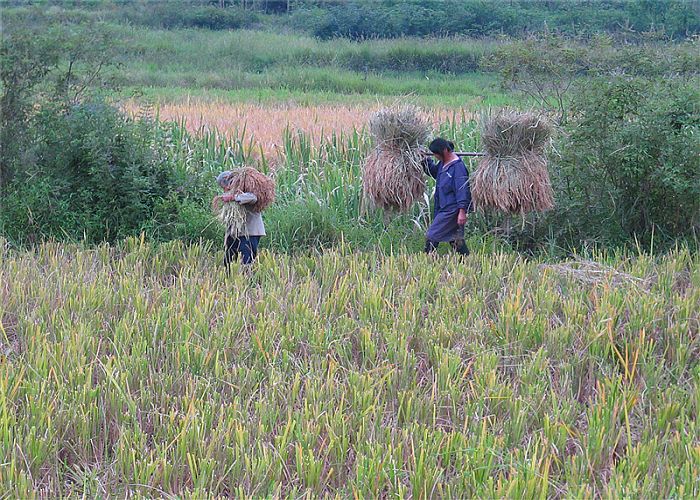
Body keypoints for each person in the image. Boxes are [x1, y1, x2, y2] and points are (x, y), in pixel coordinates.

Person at [422, 138, 472, 256]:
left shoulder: (458, 168)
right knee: (455, 237)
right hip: (443, 206)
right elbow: (434, 172)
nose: (436, 157)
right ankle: (465, 259)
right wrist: (424, 160)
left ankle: (425, 258)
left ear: (445, 150)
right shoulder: (443, 164)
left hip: (452, 209)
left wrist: (462, 211)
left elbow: (462, 191)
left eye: (437, 155)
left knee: (432, 234)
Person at [212, 170, 265, 269]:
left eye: (224, 187)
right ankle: (229, 278)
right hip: (235, 232)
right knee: (229, 258)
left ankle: (248, 280)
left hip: (250, 232)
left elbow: (253, 198)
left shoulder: (246, 188)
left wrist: (232, 197)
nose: (225, 189)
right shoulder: (232, 193)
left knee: (247, 259)